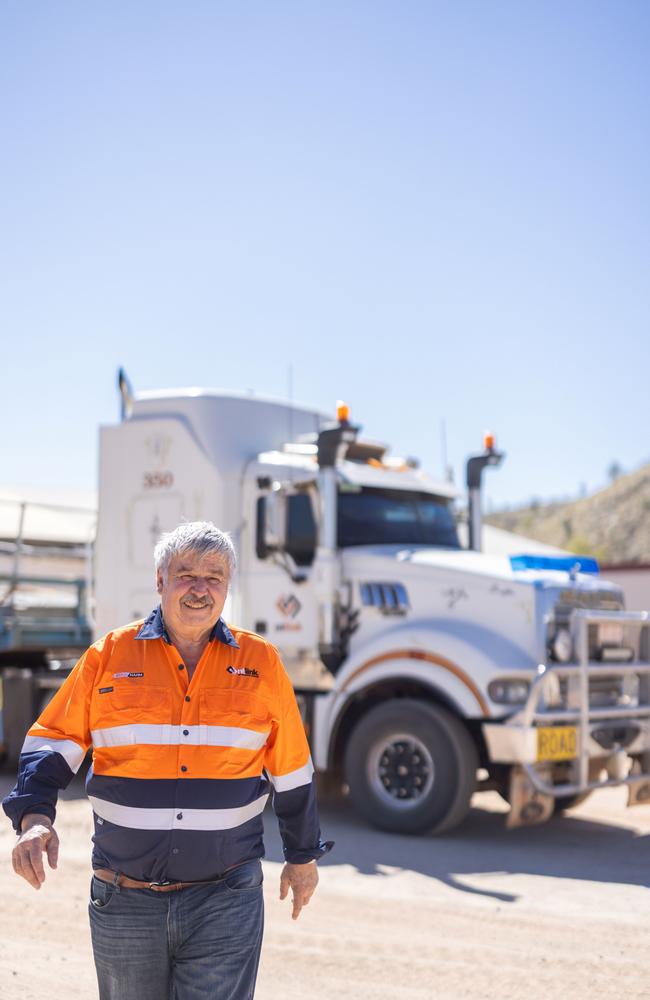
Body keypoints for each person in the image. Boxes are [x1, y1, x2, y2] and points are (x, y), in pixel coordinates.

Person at [3, 521, 332, 1000]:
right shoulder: (108, 656)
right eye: (186, 574)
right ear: (160, 581)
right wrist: (35, 819)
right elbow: (54, 739)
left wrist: (302, 857)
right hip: (124, 898)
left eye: (214, 577)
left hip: (226, 898)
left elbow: (291, 769)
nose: (200, 588)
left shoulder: (262, 664)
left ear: (228, 588)